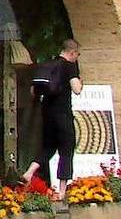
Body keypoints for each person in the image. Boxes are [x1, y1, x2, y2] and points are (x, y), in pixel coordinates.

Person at [22, 38, 82, 193]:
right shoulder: (69, 66)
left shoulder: (48, 65)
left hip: (47, 114)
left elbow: (33, 91)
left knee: (48, 147)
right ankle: (62, 191)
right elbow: (76, 89)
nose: (77, 57)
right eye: (78, 54)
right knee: (66, 150)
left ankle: (29, 172)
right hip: (63, 115)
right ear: (72, 52)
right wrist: (80, 82)